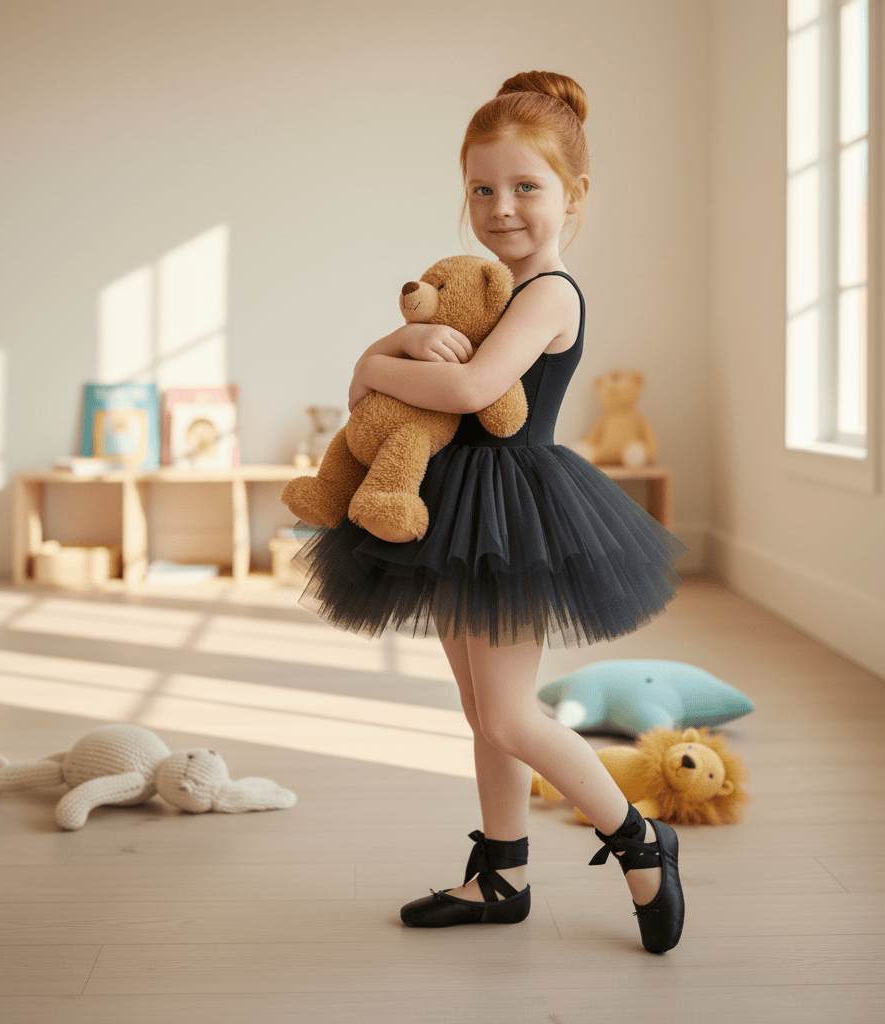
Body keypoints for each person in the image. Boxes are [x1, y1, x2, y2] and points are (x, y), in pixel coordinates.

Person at [293, 71, 688, 954]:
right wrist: (399, 346)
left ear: (573, 195)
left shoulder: (549, 292)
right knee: (482, 710)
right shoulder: (481, 286)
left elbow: (473, 387)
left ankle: (639, 837)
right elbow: (424, 374)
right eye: (481, 189)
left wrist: (373, 364)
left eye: (525, 187)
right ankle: (502, 873)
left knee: (510, 715)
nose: (501, 208)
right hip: (453, 504)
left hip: (511, 511)